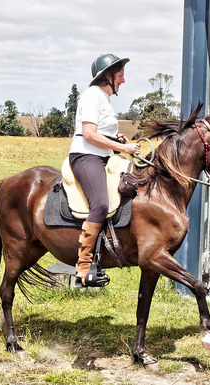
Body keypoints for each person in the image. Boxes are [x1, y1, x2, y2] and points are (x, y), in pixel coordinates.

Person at [69, 53, 140, 287]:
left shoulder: (103, 99)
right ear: (108, 76)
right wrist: (123, 146)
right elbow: (89, 134)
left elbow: (100, 131)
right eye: (120, 75)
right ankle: (83, 266)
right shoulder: (92, 95)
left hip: (103, 156)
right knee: (100, 204)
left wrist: (113, 137)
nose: (123, 80)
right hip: (86, 156)